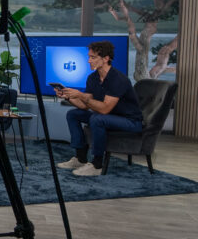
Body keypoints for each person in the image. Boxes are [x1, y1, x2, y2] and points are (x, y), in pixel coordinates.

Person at [55, 41, 143, 177]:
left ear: (106, 58)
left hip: (130, 121)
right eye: (89, 57)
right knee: (73, 114)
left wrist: (79, 94)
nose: (89, 60)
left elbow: (104, 110)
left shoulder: (118, 79)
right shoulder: (93, 78)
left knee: (97, 118)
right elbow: (85, 105)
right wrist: (68, 97)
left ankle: (97, 165)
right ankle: (80, 158)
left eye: (93, 57)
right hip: (110, 117)